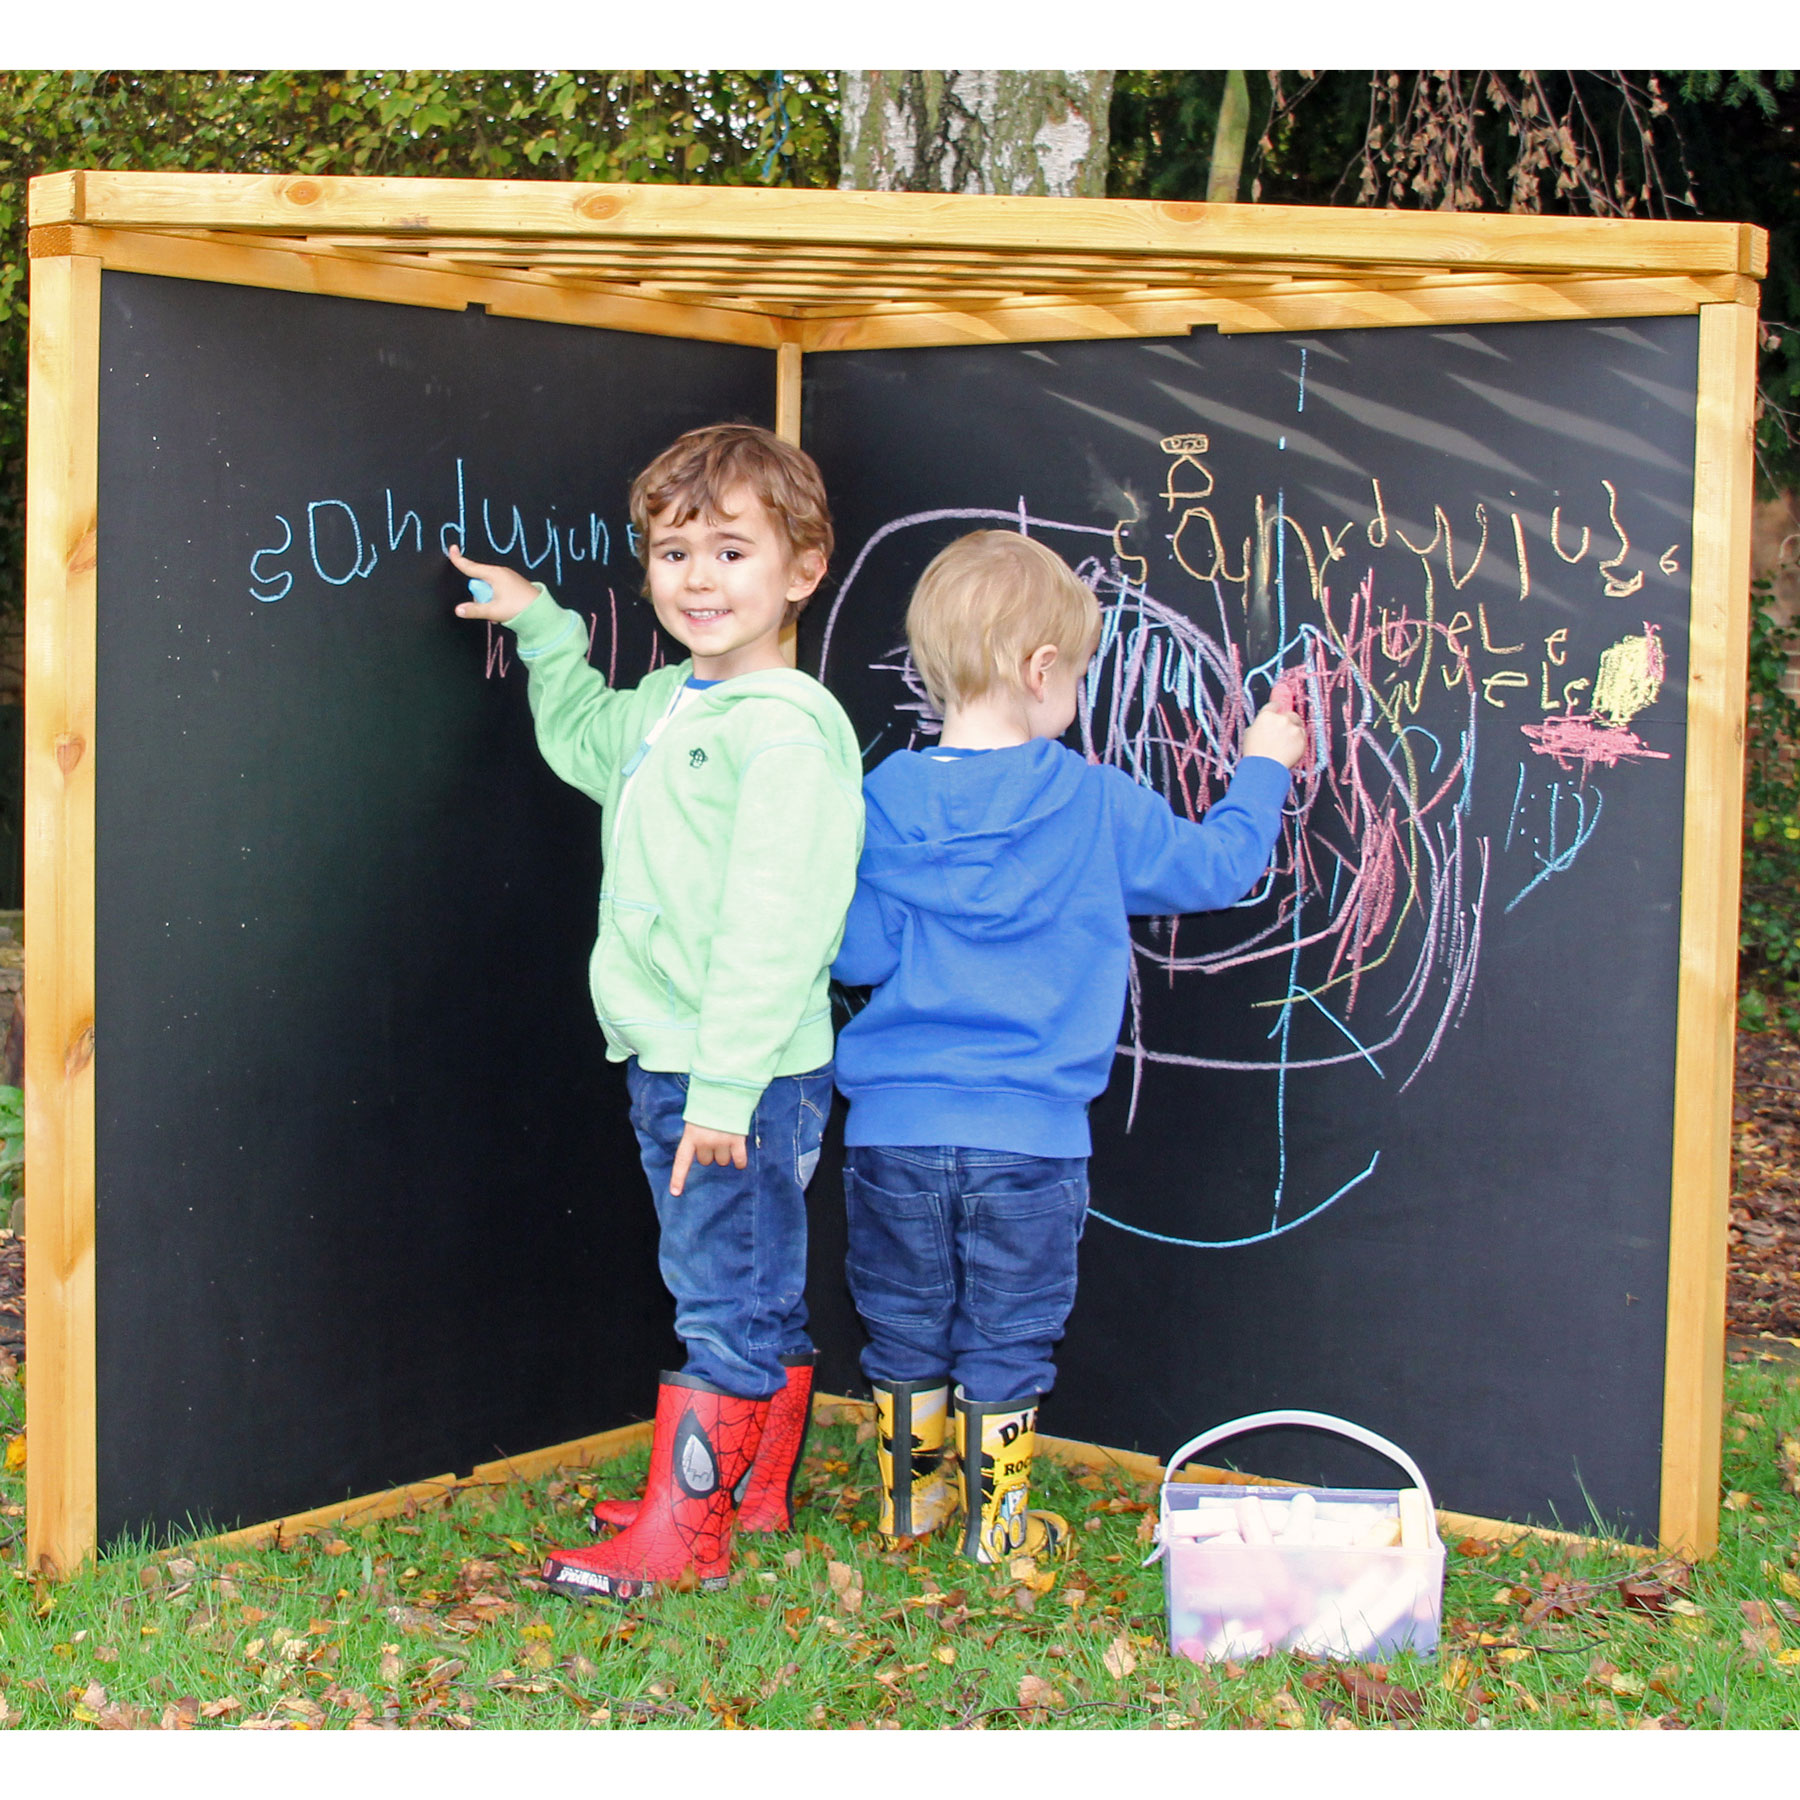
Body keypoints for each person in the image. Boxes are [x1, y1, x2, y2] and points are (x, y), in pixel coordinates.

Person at [831, 531, 1306, 1563]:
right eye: (1081, 673)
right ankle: (998, 1533)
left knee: (904, 1321)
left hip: (892, 1132)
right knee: (1008, 1333)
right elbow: (1219, 867)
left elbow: (858, 955)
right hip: (1032, 1141)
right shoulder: (1093, 802)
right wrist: (1264, 765)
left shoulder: (880, 800)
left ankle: (909, 1510)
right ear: (1042, 669)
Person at [448, 425, 863, 1602]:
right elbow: (586, 737)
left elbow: (777, 926)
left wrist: (725, 1091)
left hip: (729, 1077)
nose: (698, 578)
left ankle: (687, 1532)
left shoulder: (783, 728)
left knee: (718, 1292)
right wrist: (542, 627)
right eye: (674, 551)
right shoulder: (674, 705)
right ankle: (745, 1490)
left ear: (803, 569)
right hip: (686, 1063)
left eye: (732, 551)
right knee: (755, 1279)